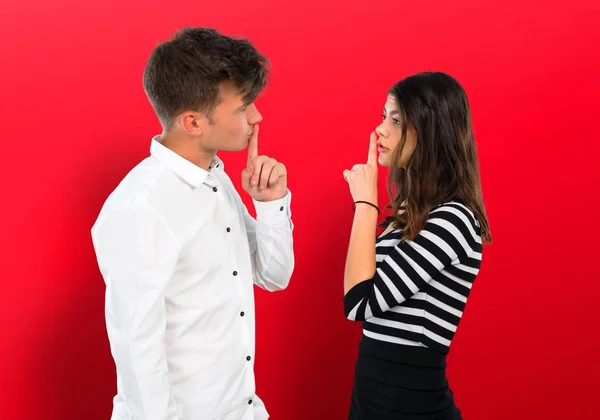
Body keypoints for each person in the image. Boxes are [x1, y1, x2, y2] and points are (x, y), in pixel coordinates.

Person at [91, 27, 295, 420]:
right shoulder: (142, 206)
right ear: (193, 122)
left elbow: (274, 275)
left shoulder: (215, 178)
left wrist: (270, 205)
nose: (257, 116)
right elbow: (137, 348)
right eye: (242, 107)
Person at [342, 71, 492, 420]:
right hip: (371, 402)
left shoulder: (453, 219)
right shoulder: (407, 216)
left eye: (396, 120)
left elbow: (358, 302)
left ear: (428, 131)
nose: (380, 129)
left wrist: (365, 204)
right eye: (383, 116)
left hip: (412, 407)